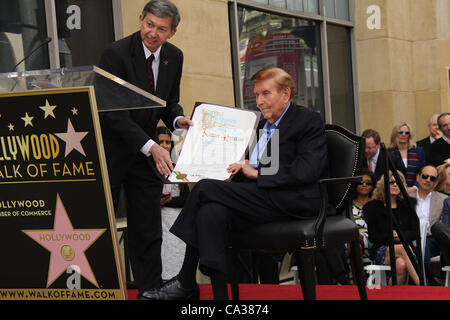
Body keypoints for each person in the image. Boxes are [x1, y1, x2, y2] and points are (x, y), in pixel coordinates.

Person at [141, 67, 329, 300]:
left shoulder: (307, 120)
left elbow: (307, 171)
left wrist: (257, 174)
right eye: (257, 95)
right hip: (262, 197)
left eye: (266, 94)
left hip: (293, 201)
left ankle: (185, 280)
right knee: (211, 212)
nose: (259, 101)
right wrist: (231, 170)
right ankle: (216, 297)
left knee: (205, 188)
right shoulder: (260, 126)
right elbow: (254, 166)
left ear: (286, 94)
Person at [98, 0, 193, 296]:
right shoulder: (114, 54)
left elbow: (168, 101)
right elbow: (112, 113)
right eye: (149, 24)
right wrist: (152, 146)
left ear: (172, 32)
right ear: (140, 19)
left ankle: (150, 289)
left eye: (161, 29)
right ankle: (99, 286)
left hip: (145, 151)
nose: (153, 33)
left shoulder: (174, 57)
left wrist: (178, 119)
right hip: (111, 149)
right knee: (100, 225)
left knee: (147, 225)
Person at [363, 170, 420, 285]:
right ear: (383, 184)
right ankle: (422, 285)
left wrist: (400, 236)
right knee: (403, 249)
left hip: (405, 250)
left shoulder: (408, 205)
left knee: (401, 265)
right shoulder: (372, 207)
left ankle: (391, 296)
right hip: (382, 250)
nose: (395, 184)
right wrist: (391, 236)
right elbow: (373, 237)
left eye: (398, 182)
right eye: (391, 181)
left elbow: (415, 232)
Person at [156, 126, 190, 280]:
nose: (164, 145)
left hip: (177, 221)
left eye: (168, 142)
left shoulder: (177, 167)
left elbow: (187, 198)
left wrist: (168, 201)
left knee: (177, 255)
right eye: (160, 142)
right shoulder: (147, 167)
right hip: (157, 222)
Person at [387, 122, 426, 191]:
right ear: (395, 134)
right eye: (401, 132)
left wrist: (415, 187)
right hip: (395, 190)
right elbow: (388, 173)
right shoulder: (389, 152)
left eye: (407, 133)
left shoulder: (418, 151)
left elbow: (422, 171)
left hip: (415, 190)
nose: (404, 135)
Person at [350, 169, 377, 257]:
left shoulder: (377, 205)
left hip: (372, 242)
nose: (364, 184)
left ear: (373, 186)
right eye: (360, 182)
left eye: (368, 182)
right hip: (350, 241)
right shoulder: (347, 205)